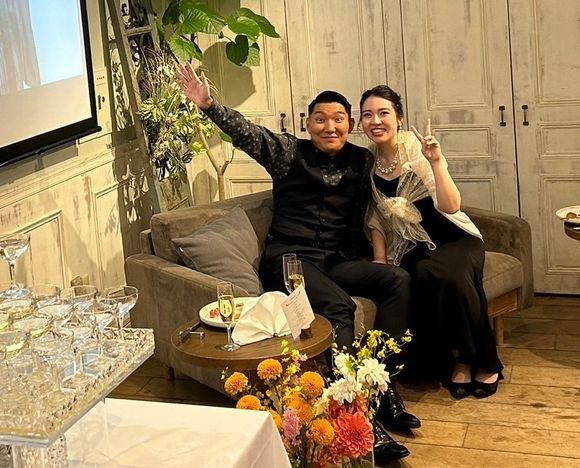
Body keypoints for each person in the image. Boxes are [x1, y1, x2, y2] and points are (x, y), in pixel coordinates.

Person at [177, 64, 420, 462]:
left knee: (397, 280)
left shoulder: (362, 161)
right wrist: (208, 105)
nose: (330, 127)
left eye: (339, 119)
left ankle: (383, 385)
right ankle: (352, 410)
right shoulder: (288, 152)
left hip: (336, 260)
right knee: (339, 306)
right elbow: (248, 134)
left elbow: (396, 165)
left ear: (350, 125)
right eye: (320, 119)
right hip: (290, 260)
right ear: (307, 125)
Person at [359, 85, 503, 399]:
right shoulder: (367, 162)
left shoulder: (415, 148)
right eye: (368, 115)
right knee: (424, 275)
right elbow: (376, 216)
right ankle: (455, 359)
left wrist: (436, 162)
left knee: (454, 275)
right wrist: (380, 259)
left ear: (399, 117)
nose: (376, 121)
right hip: (413, 245)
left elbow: (451, 206)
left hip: (454, 236)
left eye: (383, 113)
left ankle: (478, 360)